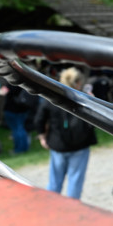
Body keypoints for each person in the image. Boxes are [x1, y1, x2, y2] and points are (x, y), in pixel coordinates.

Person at [35, 67, 98, 199]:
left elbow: (39, 119)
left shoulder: (51, 98)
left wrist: (42, 137)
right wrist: (94, 101)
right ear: (79, 82)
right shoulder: (85, 99)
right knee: (75, 181)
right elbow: (97, 119)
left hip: (58, 144)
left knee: (54, 181)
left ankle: (52, 205)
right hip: (81, 144)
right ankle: (72, 209)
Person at [2, 82, 38, 154]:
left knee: (17, 130)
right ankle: (25, 148)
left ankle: (19, 149)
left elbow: (3, 92)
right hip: (23, 108)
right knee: (21, 128)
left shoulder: (12, 82)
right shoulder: (25, 81)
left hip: (12, 108)